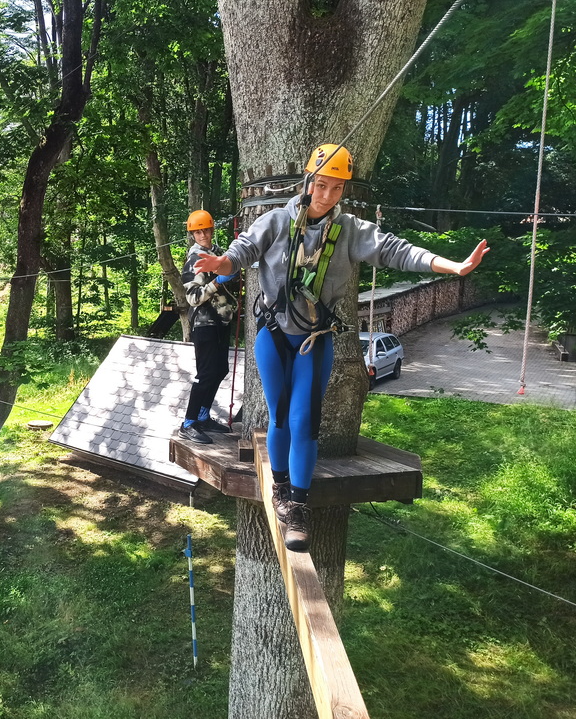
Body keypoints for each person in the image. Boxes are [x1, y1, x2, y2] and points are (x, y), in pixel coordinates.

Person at [193, 144, 488, 552]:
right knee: (280, 417)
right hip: (273, 335)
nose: (327, 195)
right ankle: (280, 488)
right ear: (308, 182)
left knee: (305, 421)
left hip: (315, 339)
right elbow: (241, 254)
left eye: (337, 188)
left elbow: (395, 250)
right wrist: (220, 263)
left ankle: (297, 507)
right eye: (322, 185)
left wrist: (451, 266)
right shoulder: (275, 221)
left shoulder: (350, 231)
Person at [177, 209, 240, 445]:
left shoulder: (217, 254)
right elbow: (193, 298)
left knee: (220, 370)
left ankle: (203, 416)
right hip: (204, 323)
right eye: (198, 232)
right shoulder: (194, 260)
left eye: (206, 230)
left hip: (221, 321)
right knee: (205, 374)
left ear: (212, 230)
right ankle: (188, 423)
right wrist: (217, 282)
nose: (203, 235)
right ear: (193, 235)